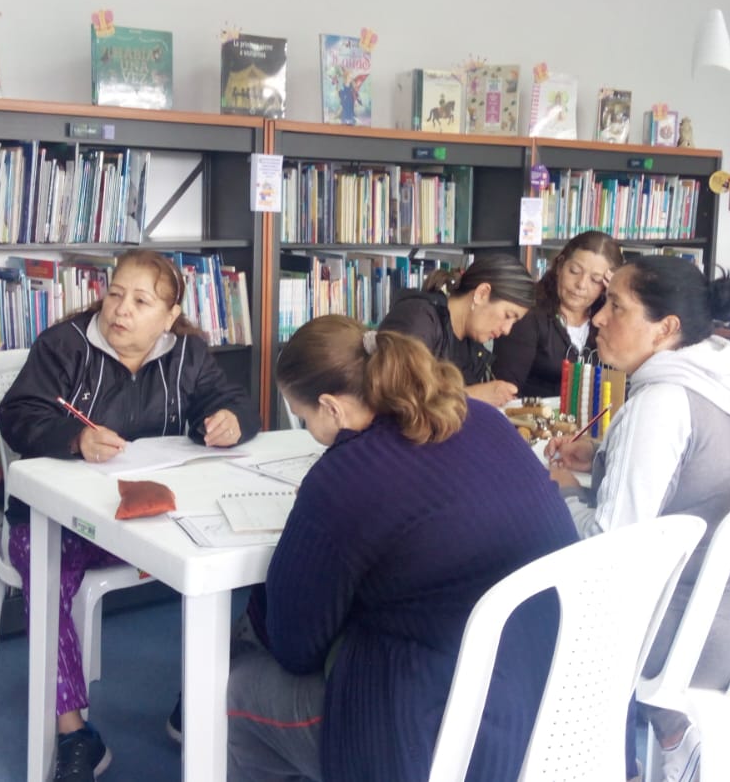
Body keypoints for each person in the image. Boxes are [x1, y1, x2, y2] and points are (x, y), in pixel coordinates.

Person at [227, 315, 578, 782]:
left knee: (238, 688)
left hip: (434, 734)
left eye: (305, 417)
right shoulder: (484, 420)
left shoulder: (343, 477)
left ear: (331, 407)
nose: (310, 430)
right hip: (561, 704)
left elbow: (297, 648)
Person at [0, 249, 259, 782]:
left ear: (168, 315)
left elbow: (231, 400)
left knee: (259, 554)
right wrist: (75, 437)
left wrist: (232, 419)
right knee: (39, 565)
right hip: (66, 521)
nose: (120, 310)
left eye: (141, 301)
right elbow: (18, 416)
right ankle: (74, 733)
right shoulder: (65, 344)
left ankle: (201, 700)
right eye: (115, 293)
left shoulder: (187, 353)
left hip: (152, 521)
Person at [545, 257, 730, 782]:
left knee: (536, 608)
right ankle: (674, 736)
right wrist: (604, 454)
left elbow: (609, 550)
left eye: (617, 307)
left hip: (694, 636)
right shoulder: (722, 378)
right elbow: (692, 479)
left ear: (666, 328)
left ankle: (597, 760)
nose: (599, 318)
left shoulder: (660, 404)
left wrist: (561, 492)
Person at [377, 252, 536, 406]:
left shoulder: (472, 344)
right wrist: (474, 395)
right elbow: (397, 397)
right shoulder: (418, 318)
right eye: (508, 316)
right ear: (482, 293)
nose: (507, 330)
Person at [492, 231, 622, 397]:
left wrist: (620, 297)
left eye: (595, 280)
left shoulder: (609, 321)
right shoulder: (528, 315)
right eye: (574, 271)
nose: (581, 284)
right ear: (560, 266)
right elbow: (504, 390)